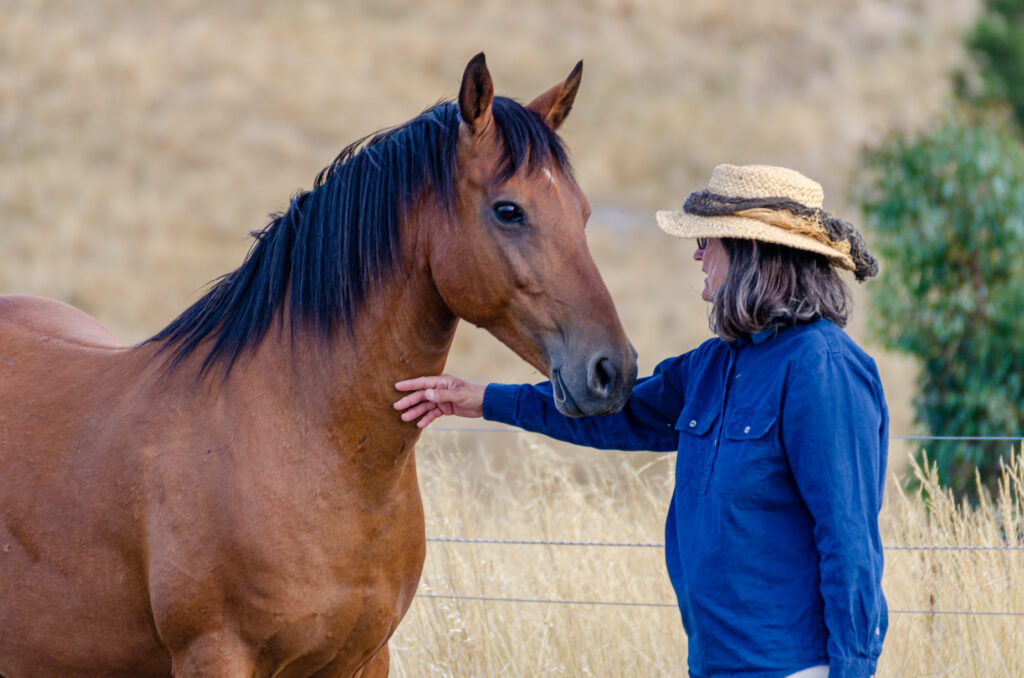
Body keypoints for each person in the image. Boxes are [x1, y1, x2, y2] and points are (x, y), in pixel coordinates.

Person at [394, 164, 888, 678]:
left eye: (707, 240)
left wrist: (852, 671)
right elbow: (613, 413)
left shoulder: (822, 367)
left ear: (751, 251)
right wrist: (484, 400)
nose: (697, 254)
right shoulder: (712, 365)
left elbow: (848, 540)